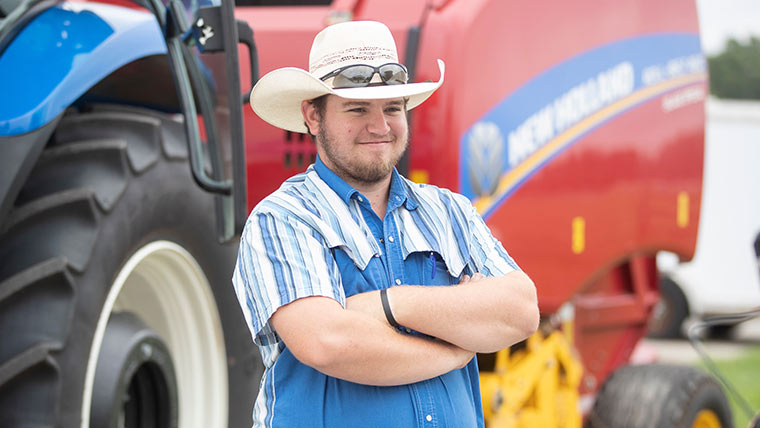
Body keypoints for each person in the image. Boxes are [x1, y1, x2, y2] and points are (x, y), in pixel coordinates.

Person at [233, 20, 539, 428]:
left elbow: (520, 311)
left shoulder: (450, 211)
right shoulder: (283, 219)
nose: (380, 126)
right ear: (313, 116)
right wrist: (454, 347)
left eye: (392, 108)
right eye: (357, 109)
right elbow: (329, 342)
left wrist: (388, 305)